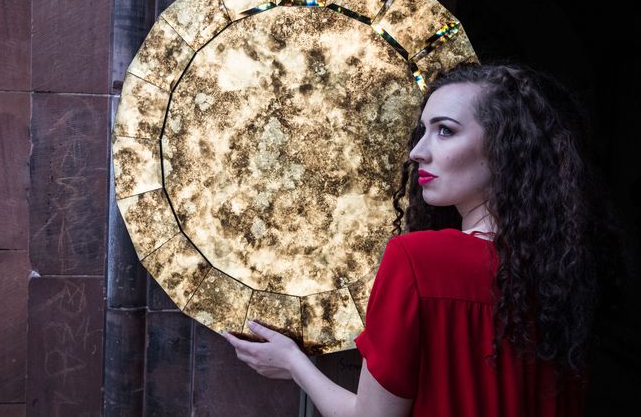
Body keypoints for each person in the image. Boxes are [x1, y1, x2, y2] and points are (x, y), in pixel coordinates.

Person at [222, 63, 625, 416]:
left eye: (445, 131)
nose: (417, 152)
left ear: (506, 149)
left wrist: (294, 364)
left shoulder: (419, 260)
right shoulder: (569, 277)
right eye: (423, 132)